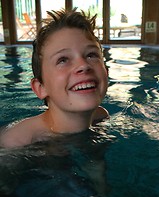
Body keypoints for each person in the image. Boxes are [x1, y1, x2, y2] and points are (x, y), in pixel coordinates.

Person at [0, 8, 109, 148]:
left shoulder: (101, 117)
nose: (83, 65)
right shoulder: (15, 141)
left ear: (105, 71)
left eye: (91, 55)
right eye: (63, 60)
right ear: (41, 88)